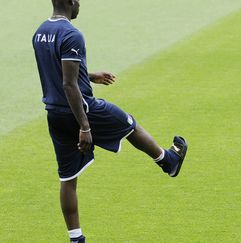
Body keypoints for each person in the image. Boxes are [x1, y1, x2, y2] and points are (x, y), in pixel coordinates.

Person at [32, 0, 188, 242]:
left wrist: (91, 75)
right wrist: (85, 126)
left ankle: (76, 238)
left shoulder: (40, 32)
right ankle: (168, 161)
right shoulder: (72, 34)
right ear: (71, 2)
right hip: (83, 109)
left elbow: (58, 72)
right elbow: (68, 84)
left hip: (55, 114)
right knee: (129, 124)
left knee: (67, 179)